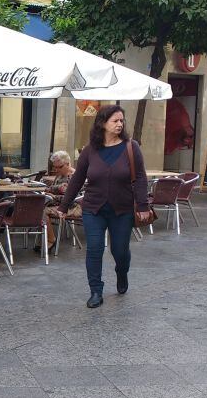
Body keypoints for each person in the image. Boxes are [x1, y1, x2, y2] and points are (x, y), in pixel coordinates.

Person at [60, 105, 151, 309]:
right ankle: (95, 291)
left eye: (121, 121)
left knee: (120, 251)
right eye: (115, 121)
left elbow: (141, 179)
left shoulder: (131, 147)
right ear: (102, 123)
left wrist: (143, 205)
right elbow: (76, 180)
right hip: (94, 209)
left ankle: (122, 272)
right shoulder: (90, 150)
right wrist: (64, 206)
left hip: (123, 210)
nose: (119, 124)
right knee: (94, 249)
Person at [42, 150, 78, 250]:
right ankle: (44, 239)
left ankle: (51, 239)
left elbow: (72, 198)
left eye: (60, 167)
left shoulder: (74, 176)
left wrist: (53, 196)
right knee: (37, 207)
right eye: (55, 167)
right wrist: (51, 192)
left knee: (42, 211)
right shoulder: (60, 175)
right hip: (57, 203)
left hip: (72, 207)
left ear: (68, 163)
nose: (57, 170)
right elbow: (53, 188)